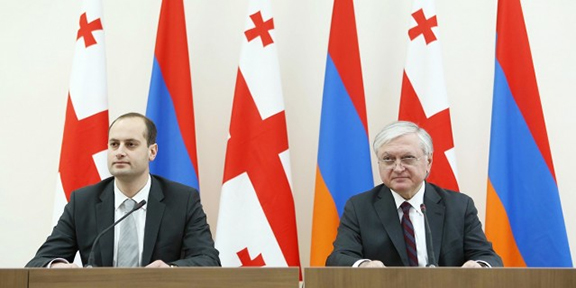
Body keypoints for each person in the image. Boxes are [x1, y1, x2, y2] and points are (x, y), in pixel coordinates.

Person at [26, 112, 220, 268]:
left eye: (130, 144)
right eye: (114, 144)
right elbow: (39, 262)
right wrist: (56, 266)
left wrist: (170, 270)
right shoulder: (83, 202)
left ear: (152, 152)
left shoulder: (182, 200)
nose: (119, 152)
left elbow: (209, 260)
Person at [326, 121, 502, 268]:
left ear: (429, 161)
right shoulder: (360, 207)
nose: (398, 168)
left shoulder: (459, 206)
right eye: (388, 159)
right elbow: (338, 258)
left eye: (407, 158)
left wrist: (479, 265)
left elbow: (488, 257)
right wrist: (363, 265)